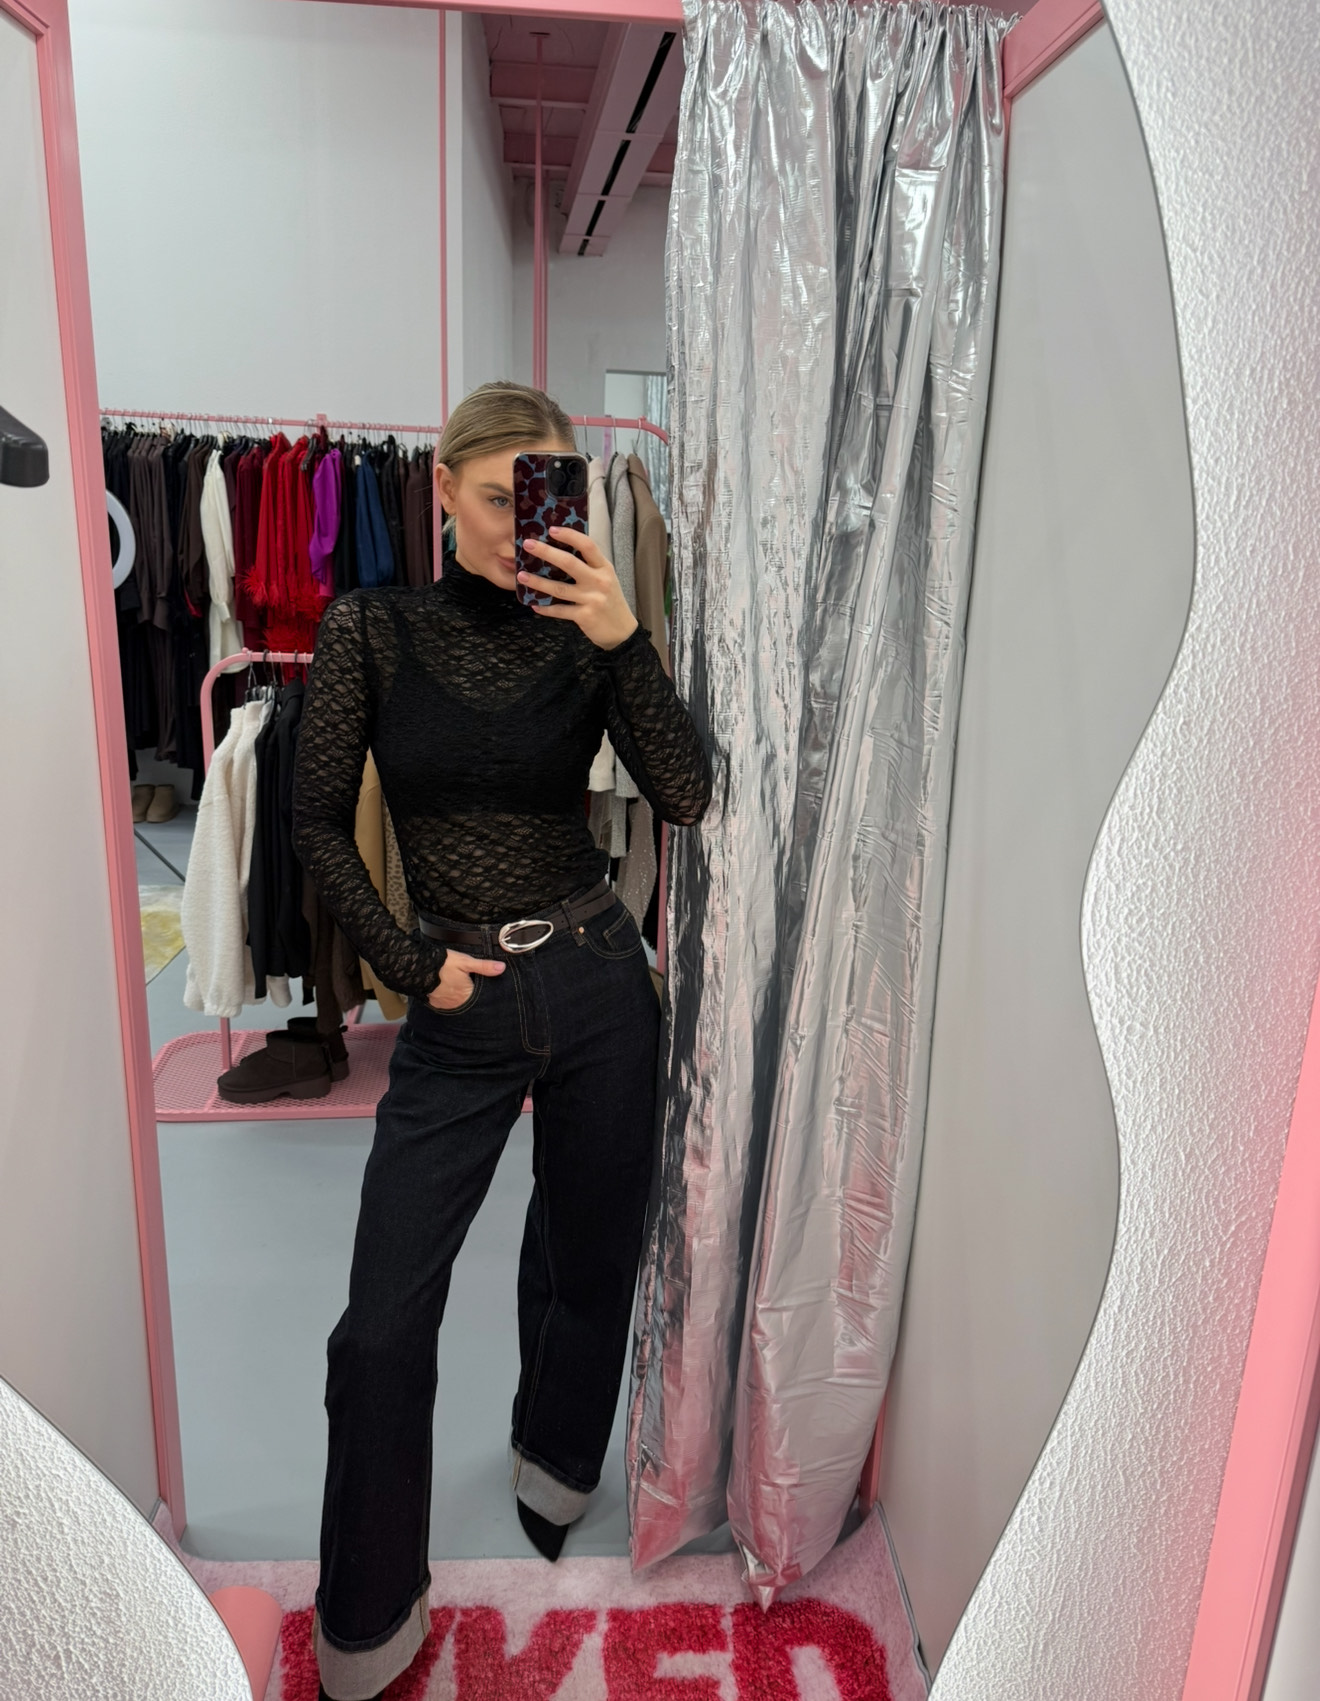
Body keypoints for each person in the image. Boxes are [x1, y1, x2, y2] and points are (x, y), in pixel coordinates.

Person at [292, 381, 712, 1701]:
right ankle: (368, 1620)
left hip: (597, 983)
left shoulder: (588, 632)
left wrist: (624, 639)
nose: (522, 526)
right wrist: (412, 965)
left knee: (589, 1258)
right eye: (495, 498)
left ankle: (556, 1465)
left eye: (545, 499)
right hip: (457, 1003)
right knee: (379, 1325)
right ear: (443, 490)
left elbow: (686, 792)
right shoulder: (374, 629)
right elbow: (314, 822)